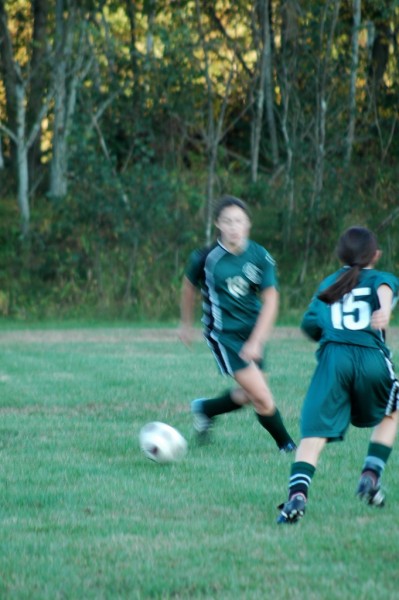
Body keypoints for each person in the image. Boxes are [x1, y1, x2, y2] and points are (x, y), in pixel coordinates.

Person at [277, 225, 399, 524]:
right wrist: (384, 310)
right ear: (376, 255)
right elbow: (386, 287)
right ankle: (370, 475)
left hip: (333, 360)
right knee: (392, 410)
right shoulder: (381, 278)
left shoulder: (328, 284)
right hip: (370, 357)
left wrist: (331, 332)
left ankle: (297, 495)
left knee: (314, 434)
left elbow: (309, 326)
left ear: (340, 254)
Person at [178, 195, 296, 453]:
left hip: (253, 331)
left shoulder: (259, 255)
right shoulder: (205, 258)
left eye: (239, 221)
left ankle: (205, 409)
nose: (234, 226)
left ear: (248, 224)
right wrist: (185, 324)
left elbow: (271, 299)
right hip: (224, 334)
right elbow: (188, 288)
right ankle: (287, 447)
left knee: (248, 395)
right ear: (218, 224)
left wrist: (257, 340)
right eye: (227, 221)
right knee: (263, 398)